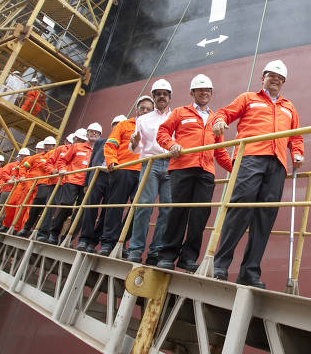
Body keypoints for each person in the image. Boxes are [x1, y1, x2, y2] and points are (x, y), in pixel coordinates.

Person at [211, 60, 304, 288]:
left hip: (277, 163)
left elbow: (296, 136)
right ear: (263, 77)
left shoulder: (289, 107)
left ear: (283, 83)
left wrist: (298, 154)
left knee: (265, 217)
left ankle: (249, 272)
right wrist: (219, 121)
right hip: (250, 157)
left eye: (280, 78)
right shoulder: (248, 98)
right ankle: (220, 266)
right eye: (272, 76)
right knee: (240, 209)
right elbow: (223, 113)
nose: (276, 80)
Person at [156, 74, 233, 272]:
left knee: (200, 215)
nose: (204, 93)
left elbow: (220, 149)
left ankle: (188, 257)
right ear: (192, 93)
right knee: (178, 212)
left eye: (208, 90)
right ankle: (167, 255)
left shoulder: (216, 119)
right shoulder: (181, 112)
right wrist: (171, 144)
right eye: (200, 90)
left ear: (211, 93)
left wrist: (235, 170)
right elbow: (162, 133)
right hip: (182, 167)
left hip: (206, 171)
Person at [127, 79, 174, 264]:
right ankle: (136, 249)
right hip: (150, 163)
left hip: (171, 163)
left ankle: (156, 250)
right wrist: (134, 142)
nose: (161, 96)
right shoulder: (143, 119)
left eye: (165, 94)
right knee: (144, 207)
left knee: (168, 209)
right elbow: (136, 149)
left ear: (170, 97)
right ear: (153, 97)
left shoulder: (176, 117)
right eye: (158, 94)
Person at [99, 97, 153, 256]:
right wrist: (112, 161)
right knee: (115, 206)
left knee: (140, 210)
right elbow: (111, 144)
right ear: (137, 109)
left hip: (144, 171)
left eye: (148, 109)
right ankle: (108, 243)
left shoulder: (152, 127)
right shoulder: (124, 125)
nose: (145, 111)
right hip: (122, 169)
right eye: (142, 108)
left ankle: (121, 240)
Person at [77, 117, 123, 252]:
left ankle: (93, 242)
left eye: (119, 125)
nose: (117, 127)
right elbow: (92, 162)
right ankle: (84, 239)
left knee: (107, 212)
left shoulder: (124, 144)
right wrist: (86, 182)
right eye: (115, 125)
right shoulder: (100, 143)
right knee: (90, 207)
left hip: (114, 177)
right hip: (97, 176)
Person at [47, 128, 94, 244]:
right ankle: (54, 232)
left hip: (87, 183)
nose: (94, 134)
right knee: (66, 206)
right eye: (92, 132)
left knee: (80, 211)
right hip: (72, 180)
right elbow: (62, 161)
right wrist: (61, 170)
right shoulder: (76, 147)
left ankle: (68, 238)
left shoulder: (98, 150)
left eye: (97, 133)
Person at [16, 137, 57, 237]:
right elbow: (23, 167)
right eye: (46, 145)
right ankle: (17, 227)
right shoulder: (36, 157)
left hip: (44, 185)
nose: (47, 147)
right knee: (21, 206)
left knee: (32, 208)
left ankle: (24, 229)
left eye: (50, 145)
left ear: (53, 146)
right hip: (29, 185)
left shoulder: (56, 155)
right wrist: (22, 177)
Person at [0, 148, 32, 232]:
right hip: (8, 190)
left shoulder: (28, 167)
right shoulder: (12, 165)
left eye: (25, 156)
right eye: (22, 156)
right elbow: (3, 173)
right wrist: (10, 179)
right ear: (19, 156)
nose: (23, 158)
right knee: (2, 208)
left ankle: (11, 226)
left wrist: (18, 179)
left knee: (15, 209)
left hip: (20, 191)